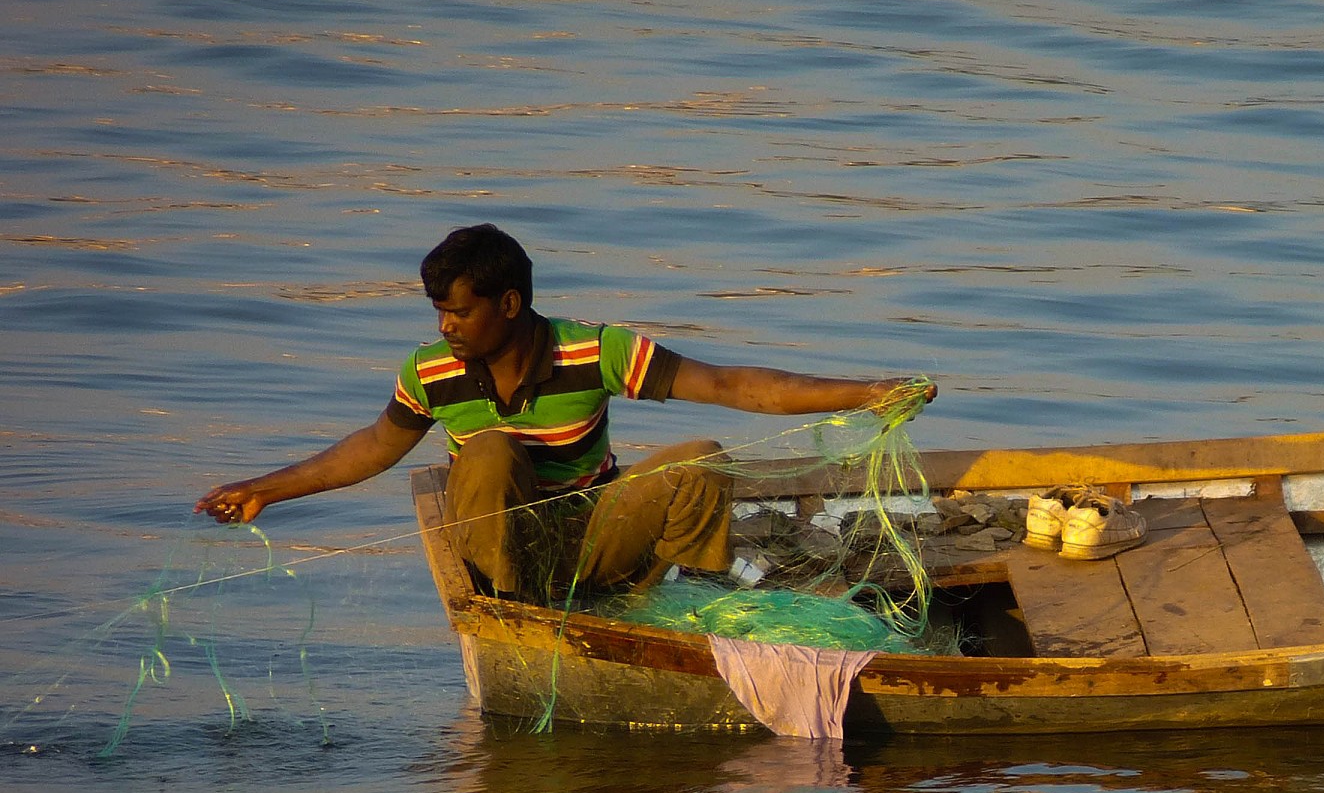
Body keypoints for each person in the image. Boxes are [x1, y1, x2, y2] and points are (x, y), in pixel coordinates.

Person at [196, 223, 930, 601]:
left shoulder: (596, 352)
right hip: (502, 554)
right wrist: (267, 488)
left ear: (508, 305)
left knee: (702, 456)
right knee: (485, 452)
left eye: (459, 312)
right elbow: (370, 448)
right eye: (439, 313)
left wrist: (867, 393)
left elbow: (737, 386)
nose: (446, 326)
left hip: (589, 537)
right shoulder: (430, 371)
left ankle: (676, 600)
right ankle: (515, 611)